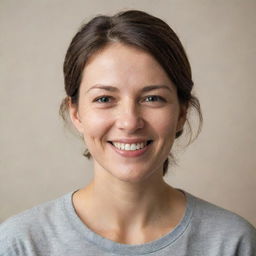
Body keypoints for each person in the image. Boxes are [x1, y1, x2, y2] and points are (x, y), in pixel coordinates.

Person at [0, 9, 255, 256]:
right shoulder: (21, 244)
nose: (130, 122)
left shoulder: (233, 242)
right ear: (76, 113)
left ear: (181, 113)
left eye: (152, 98)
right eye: (104, 99)